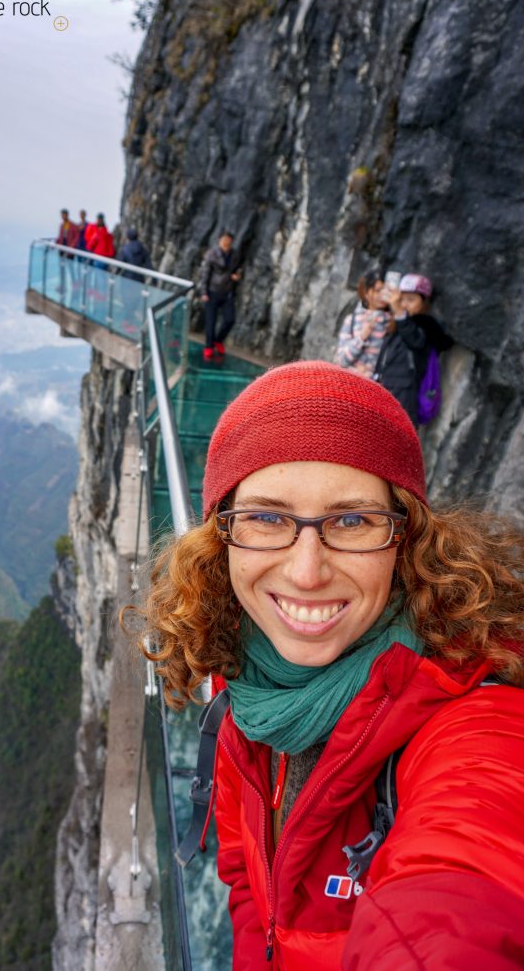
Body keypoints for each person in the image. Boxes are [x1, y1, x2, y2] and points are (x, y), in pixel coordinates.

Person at [135, 361, 524, 968]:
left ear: (405, 539)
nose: (306, 571)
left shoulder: (478, 718)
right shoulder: (245, 676)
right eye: (266, 518)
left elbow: (468, 877)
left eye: (351, 520)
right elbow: (245, 881)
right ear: (222, 539)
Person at [375, 272, 452, 427]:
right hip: (384, 386)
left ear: (425, 303)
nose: (404, 304)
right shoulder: (396, 323)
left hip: (406, 391)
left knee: (399, 437)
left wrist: (399, 313)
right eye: (401, 299)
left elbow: (416, 341)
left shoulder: (426, 325)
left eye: (411, 300)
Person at [335, 270, 391, 378]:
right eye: (378, 290)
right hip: (350, 382)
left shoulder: (391, 323)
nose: (382, 295)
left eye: (386, 291)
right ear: (367, 292)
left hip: (377, 387)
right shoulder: (352, 320)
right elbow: (342, 360)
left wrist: (370, 371)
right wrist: (362, 337)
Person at [199, 231, 241, 360]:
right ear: (219, 240)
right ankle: (209, 346)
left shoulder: (234, 254)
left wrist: (237, 276)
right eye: (224, 239)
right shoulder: (212, 254)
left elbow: (237, 269)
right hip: (212, 291)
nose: (226, 242)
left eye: (228, 240)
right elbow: (205, 273)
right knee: (210, 321)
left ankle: (218, 340)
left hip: (227, 292)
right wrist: (203, 292)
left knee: (230, 319)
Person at [55, 208, 79, 295]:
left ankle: (75, 287)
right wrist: (56, 244)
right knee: (62, 269)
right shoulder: (62, 225)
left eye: (63, 214)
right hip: (62, 249)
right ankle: (63, 286)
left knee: (71, 269)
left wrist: (72, 247)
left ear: (67, 215)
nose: (62, 216)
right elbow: (60, 237)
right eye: (61, 215)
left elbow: (76, 237)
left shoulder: (73, 225)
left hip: (69, 251)